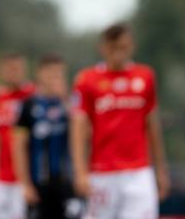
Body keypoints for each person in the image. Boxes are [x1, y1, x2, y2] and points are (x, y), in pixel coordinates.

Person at [70, 23, 170, 219]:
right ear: (103, 48)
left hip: (139, 172)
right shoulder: (86, 79)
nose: (118, 53)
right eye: (113, 48)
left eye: (123, 47)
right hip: (102, 173)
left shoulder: (145, 77)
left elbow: (152, 126)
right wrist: (80, 172)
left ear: (132, 46)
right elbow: (78, 129)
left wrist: (161, 170)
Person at [13, 54, 81, 219]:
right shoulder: (28, 106)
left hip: (67, 182)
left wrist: (65, 100)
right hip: (39, 183)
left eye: (59, 73)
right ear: (40, 74)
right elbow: (18, 147)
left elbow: (82, 135)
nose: (55, 78)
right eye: (51, 73)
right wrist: (25, 184)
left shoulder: (71, 104)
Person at [0, 54, 35, 219]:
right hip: (1, 175)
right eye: (10, 69)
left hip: (25, 177)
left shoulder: (32, 96)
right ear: (1, 71)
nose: (14, 73)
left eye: (17, 69)